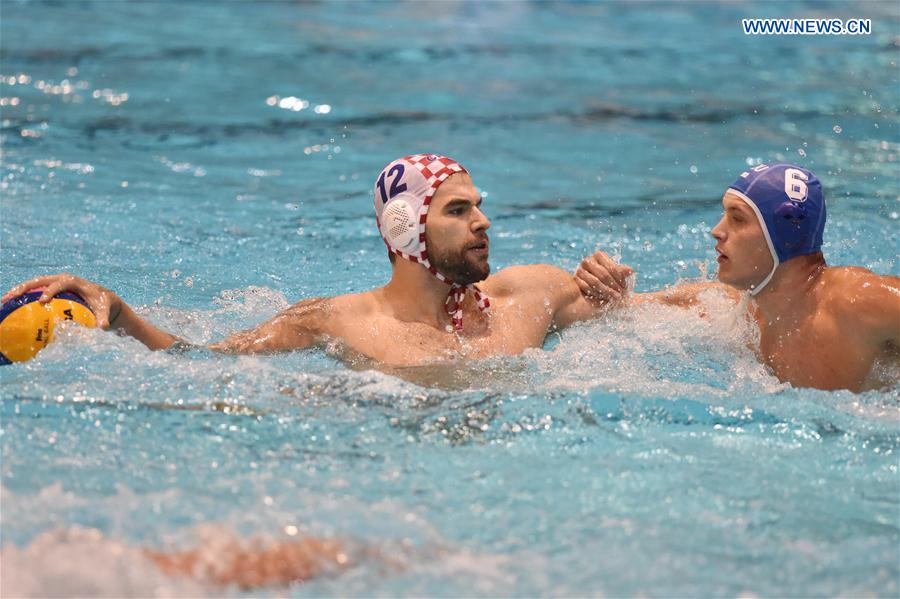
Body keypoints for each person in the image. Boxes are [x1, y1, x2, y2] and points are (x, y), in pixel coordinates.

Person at [3, 154, 632, 366]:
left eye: (479, 206)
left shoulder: (533, 294)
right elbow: (201, 362)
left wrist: (619, 298)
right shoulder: (335, 322)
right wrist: (122, 318)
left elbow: (670, 316)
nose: (483, 221)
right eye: (459, 209)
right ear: (406, 229)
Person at [576, 163, 900, 392]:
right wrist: (611, 290)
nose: (716, 231)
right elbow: (634, 309)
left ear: (784, 234)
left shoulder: (858, 300)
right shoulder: (743, 311)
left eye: (737, 219)